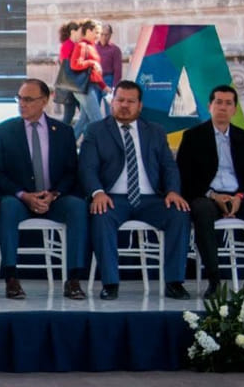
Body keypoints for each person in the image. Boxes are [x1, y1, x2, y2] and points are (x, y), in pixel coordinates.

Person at [78, 79, 192, 300]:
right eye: (120, 100)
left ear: (140, 105)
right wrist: (98, 192)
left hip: (151, 199)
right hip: (113, 198)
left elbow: (168, 166)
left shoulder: (155, 131)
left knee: (179, 214)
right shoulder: (96, 130)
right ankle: (110, 283)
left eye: (130, 101)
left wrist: (173, 191)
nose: (124, 105)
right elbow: (87, 168)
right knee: (101, 215)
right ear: (112, 102)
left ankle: (174, 282)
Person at [175, 85, 244, 297]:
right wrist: (213, 196)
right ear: (210, 106)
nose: (222, 108)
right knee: (202, 211)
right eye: (218, 102)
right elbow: (185, 177)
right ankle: (214, 280)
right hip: (207, 196)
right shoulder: (193, 137)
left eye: (228, 103)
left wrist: (240, 197)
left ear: (234, 109)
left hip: (238, 197)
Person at [0, 78, 90, 301]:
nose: (22, 104)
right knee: (7, 207)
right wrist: (23, 195)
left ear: (44, 101)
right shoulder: (4, 131)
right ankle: (11, 278)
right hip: (19, 198)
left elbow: (71, 172)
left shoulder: (63, 132)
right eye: (19, 98)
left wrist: (54, 194)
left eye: (28, 99)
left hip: (54, 198)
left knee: (77, 207)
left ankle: (73, 279)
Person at [69, 20, 109, 125]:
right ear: (88, 31)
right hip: (84, 88)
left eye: (99, 33)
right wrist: (92, 62)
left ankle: (70, 136)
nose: (99, 36)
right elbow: (74, 64)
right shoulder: (81, 45)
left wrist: (104, 86)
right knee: (97, 119)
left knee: (84, 121)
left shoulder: (91, 47)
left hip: (89, 86)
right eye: (96, 32)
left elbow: (95, 72)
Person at [56, 20, 82, 127]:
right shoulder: (68, 45)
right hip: (71, 85)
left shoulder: (72, 44)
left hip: (73, 84)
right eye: (79, 32)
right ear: (73, 32)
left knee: (74, 114)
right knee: (69, 115)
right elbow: (66, 64)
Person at [98, 23, 123, 89]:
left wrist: (114, 87)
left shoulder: (115, 49)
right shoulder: (93, 47)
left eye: (106, 35)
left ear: (110, 35)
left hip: (108, 79)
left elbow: (118, 71)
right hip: (95, 79)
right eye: (101, 34)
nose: (103, 37)